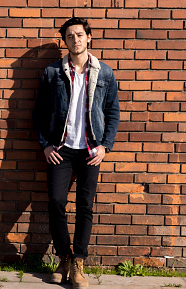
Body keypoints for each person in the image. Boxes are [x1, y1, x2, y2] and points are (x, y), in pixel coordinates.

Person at [33, 17, 120, 288]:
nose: (76, 39)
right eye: (70, 36)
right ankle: (63, 258)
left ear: (89, 37)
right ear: (65, 41)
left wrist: (105, 146)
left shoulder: (104, 72)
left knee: (85, 206)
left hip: (91, 151)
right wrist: (46, 144)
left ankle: (79, 262)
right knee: (57, 202)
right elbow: (39, 113)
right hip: (62, 149)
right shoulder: (52, 73)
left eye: (80, 35)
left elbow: (112, 112)